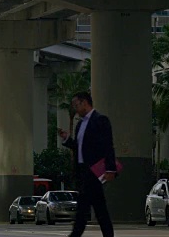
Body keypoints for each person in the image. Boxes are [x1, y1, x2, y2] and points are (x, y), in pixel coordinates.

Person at [58, 91, 116, 237]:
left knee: (84, 209)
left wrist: (110, 169)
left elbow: (108, 146)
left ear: (85, 102)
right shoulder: (79, 125)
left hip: (94, 171)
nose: (75, 108)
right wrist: (67, 139)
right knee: (98, 209)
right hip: (82, 171)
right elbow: (79, 148)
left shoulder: (101, 120)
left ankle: (75, 234)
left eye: (76, 105)